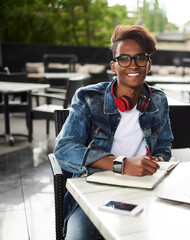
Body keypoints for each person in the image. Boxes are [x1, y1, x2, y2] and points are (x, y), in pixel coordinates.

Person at [54, 25, 173, 239]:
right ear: (113, 65)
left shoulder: (159, 100)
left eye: (140, 58)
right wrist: (123, 165)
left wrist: (158, 159)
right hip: (93, 188)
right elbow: (64, 150)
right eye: (124, 58)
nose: (133, 65)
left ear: (149, 64)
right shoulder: (88, 98)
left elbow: (164, 144)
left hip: (143, 186)